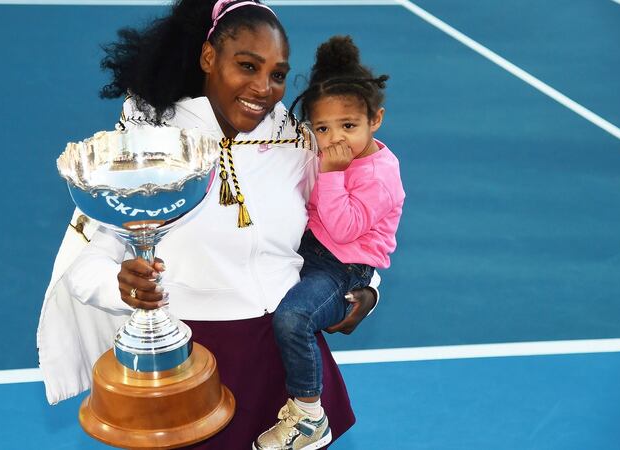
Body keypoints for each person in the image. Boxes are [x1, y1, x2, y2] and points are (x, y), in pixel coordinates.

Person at [36, 1, 380, 447]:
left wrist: (369, 289)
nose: (263, 88)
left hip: (289, 367)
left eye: (277, 74)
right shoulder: (146, 145)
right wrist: (122, 286)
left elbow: (357, 223)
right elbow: (85, 264)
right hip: (190, 366)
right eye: (246, 66)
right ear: (208, 58)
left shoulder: (300, 141)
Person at [253, 35, 405, 450]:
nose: (336, 139)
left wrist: (333, 174)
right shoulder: (324, 152)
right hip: (313, 249)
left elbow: (343, 229)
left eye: (349, 126)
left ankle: (308, 415)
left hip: (343, 268)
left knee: (293, 319)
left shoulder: (380, 175)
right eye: (322, 128)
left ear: (376, 119)